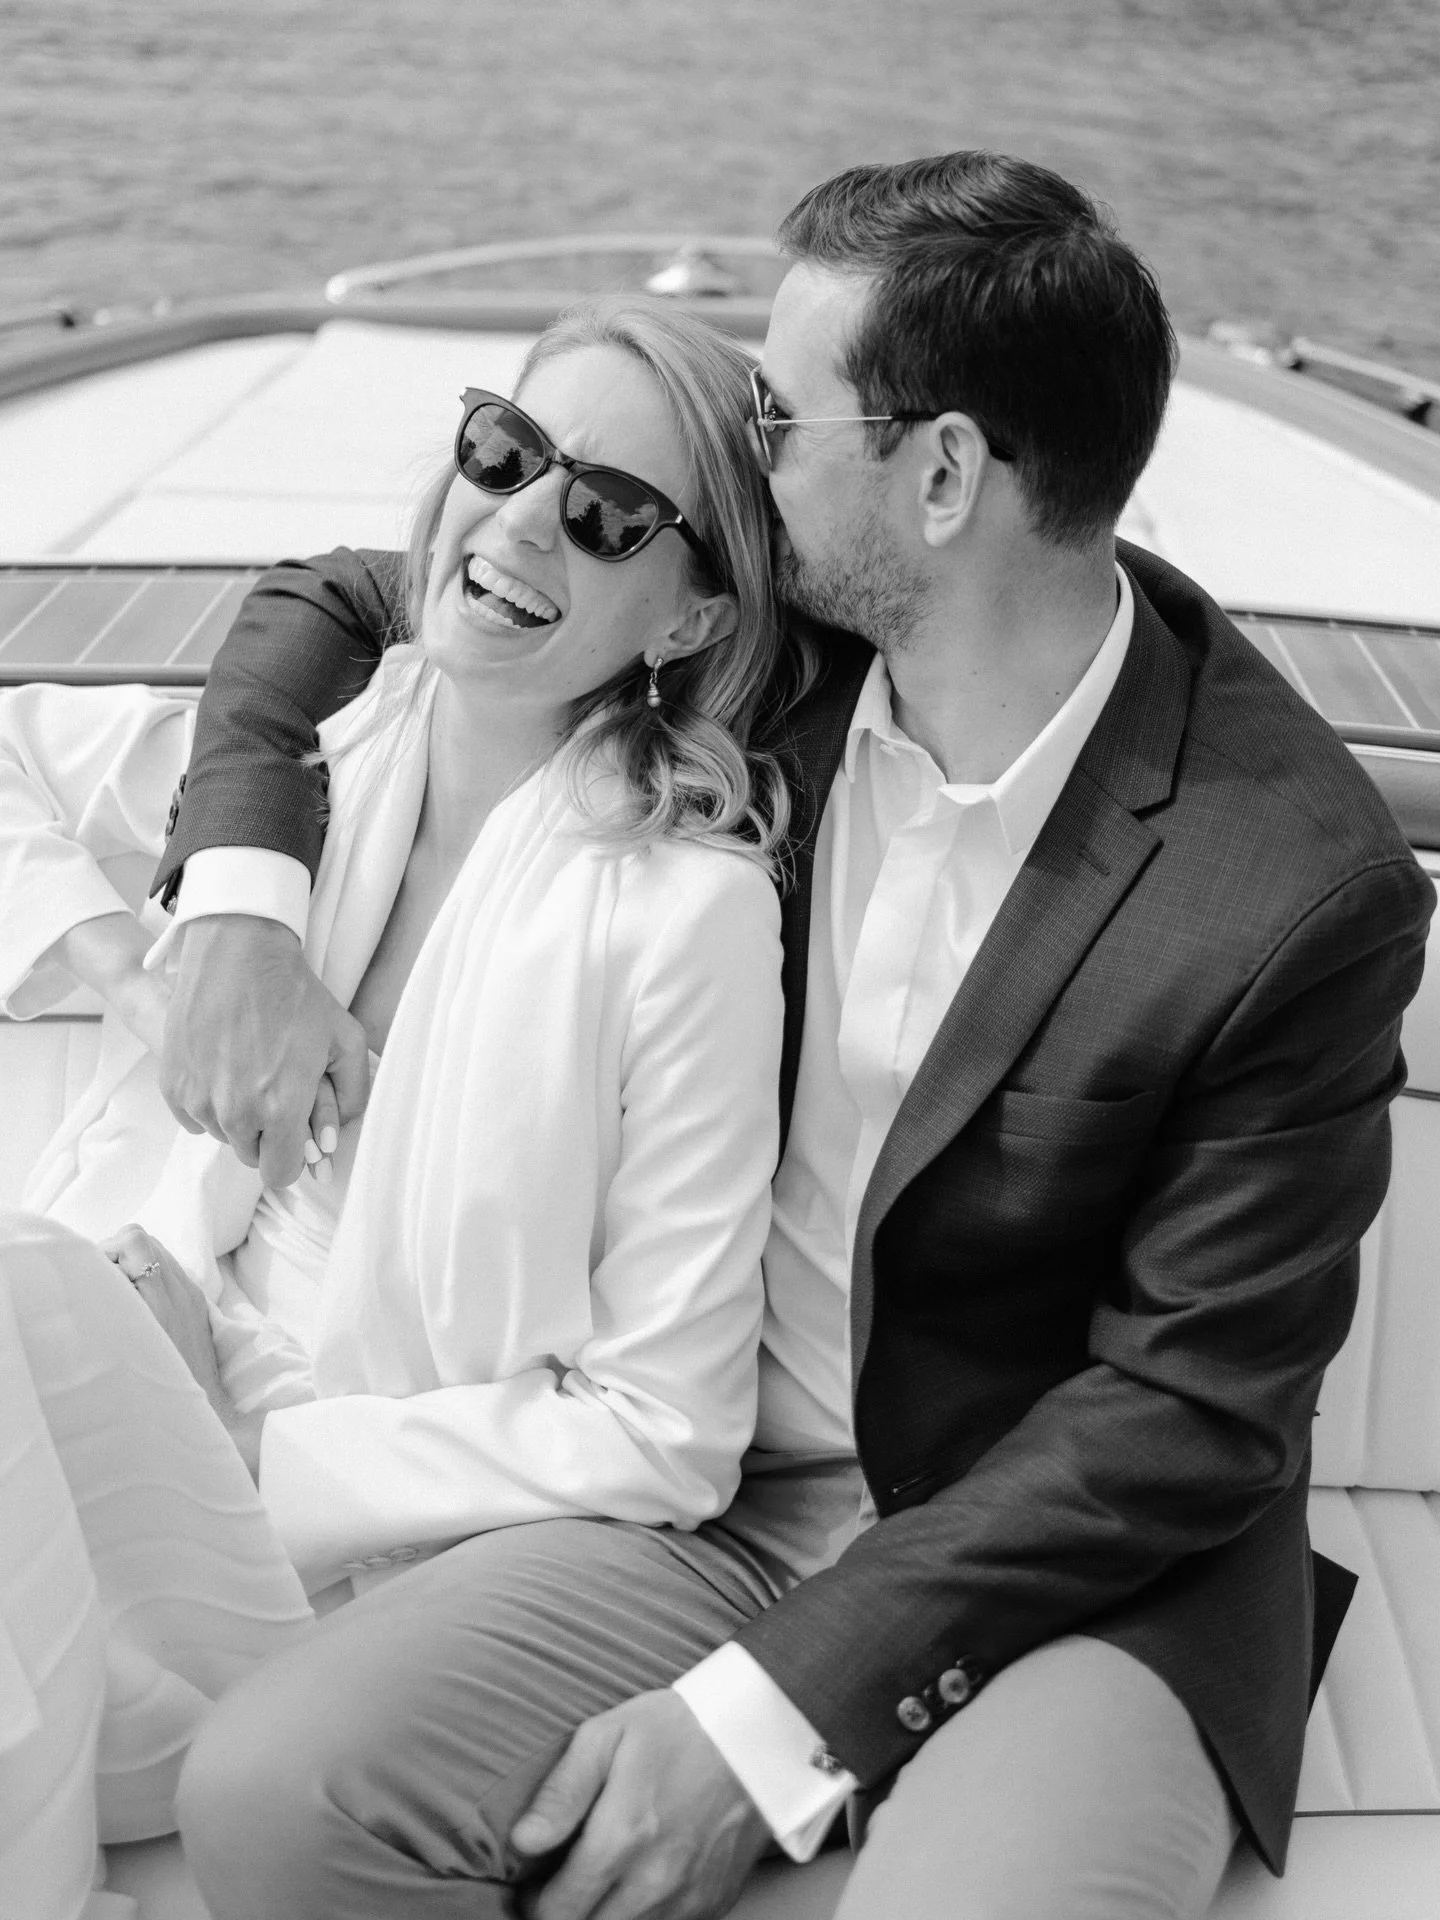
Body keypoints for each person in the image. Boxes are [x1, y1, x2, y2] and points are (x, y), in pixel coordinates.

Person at [158, 154, 1431, 1920]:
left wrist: (767, 1720)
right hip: (698, 1498)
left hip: (1064, 1568)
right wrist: (241, 903)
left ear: (941, 475)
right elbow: (345, 596)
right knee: (277, 1798)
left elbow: (1189, 1408)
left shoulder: (1291, 879)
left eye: (776, 412)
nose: (743, 458)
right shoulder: (796, 652)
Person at [0, 296, 792, 1911]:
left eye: (605, 515)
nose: (512, 520)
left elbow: (669, 1426)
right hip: (90, 1472)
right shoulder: (319, 752)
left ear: (691, 621)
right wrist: (185, 968)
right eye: (504, 449)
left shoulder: (683, 916)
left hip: (318, 1569)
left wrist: (244, 1428)